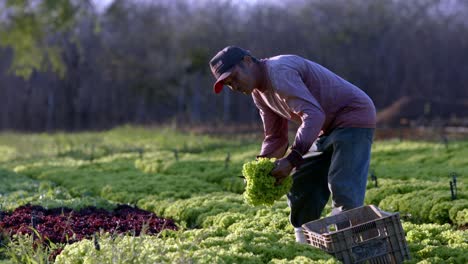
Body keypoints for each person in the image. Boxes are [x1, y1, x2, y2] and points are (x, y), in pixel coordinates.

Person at [209, 46, 376, 243]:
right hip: (323, 128)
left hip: (351, 117)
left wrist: (292, 158)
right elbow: (275, 137)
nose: (234, 86)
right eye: (229, 84)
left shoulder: (279, 71)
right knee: (300, 182)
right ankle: (305, 244)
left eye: (234, 77)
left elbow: (313, 115)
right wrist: (262, 167)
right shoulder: (259, 94)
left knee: (343, 187)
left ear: (247, 61)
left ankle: (350, 246)